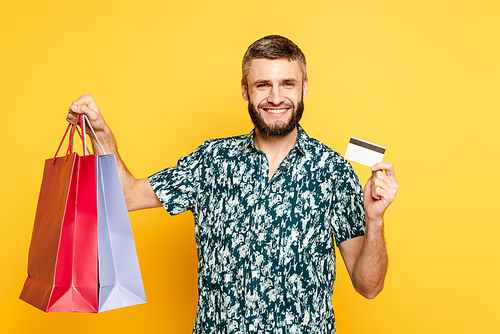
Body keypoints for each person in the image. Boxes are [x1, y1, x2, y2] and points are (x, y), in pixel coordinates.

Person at [67, 35, 399, 333]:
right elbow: (126, 196)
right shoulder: (212, 160)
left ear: (304, 88)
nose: (276, 97)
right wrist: (101, 133)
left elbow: (368, 286)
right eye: (263, 85)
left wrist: (375, 219)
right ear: (245, 89)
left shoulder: (333, 170)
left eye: (287, 83)